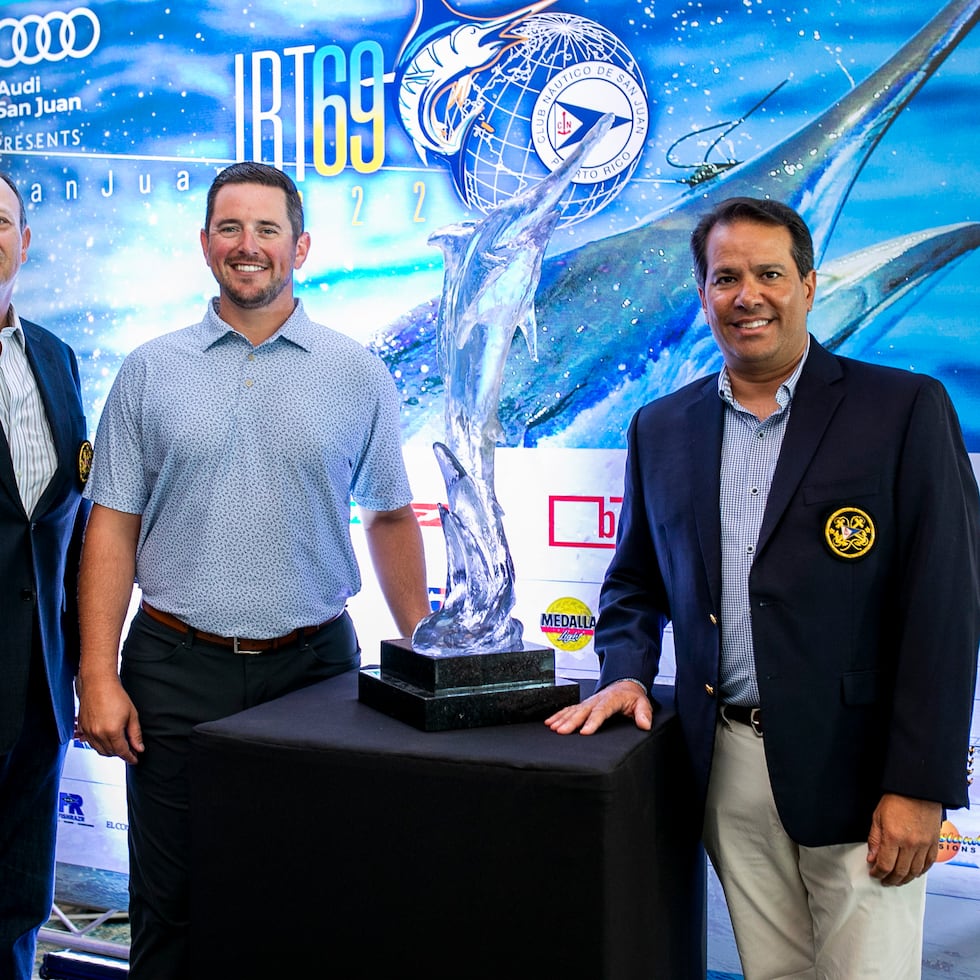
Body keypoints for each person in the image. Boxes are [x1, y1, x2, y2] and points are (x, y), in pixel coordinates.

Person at [547, 196, 980, 978]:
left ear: (809, 286)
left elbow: (946, 606)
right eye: (726, 277)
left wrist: (920, 784)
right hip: (728, 769)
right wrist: (625, 671)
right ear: (703, 293)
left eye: (770, 274)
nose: (748, 295)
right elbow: (634, 584)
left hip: (862, 774)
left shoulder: (904, 408)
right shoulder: (660, 427)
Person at [76, 161, 432, 979]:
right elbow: (112, 526)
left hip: (314, 673)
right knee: (171, 907)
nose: (249, 246)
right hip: (174, 670)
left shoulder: (357, 372)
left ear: (300, 245)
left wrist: (425, 649)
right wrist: (97, 672)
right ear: (205, 246)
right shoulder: (149, 370)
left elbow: (387, 515)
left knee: (308, 896)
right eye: (230, 228)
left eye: (267, 229)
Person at [0, 171, 90, 978]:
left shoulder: (57, 360)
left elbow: (71, 520)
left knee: (18, 896)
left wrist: (86, 665)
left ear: (24, 243)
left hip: (38, 686)